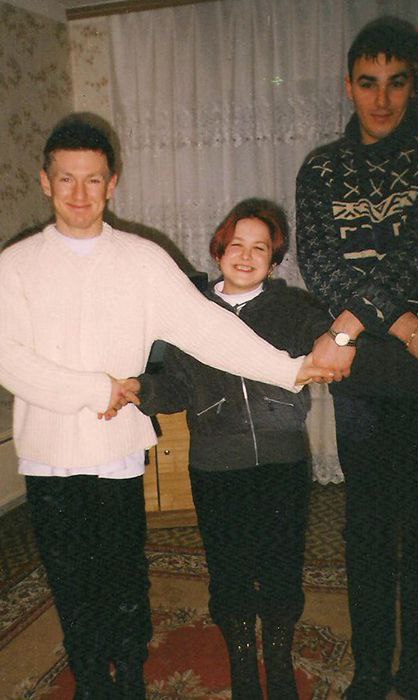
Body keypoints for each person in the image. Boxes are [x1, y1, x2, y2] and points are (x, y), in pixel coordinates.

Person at [0, 116, 333, 700]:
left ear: (112, 183)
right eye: (67, 179)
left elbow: (209, 329)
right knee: (71, 580)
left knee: (125, 576)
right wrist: (96, 390)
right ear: (45, 182)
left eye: (93, 179)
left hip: (117, 450)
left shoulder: (143, 259)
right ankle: (91, 683)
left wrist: (289, 369)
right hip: (49, 453)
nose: (80, 193)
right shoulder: (15, 264)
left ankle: (130, 677)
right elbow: (8, 358)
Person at [296, 16, 418, 700]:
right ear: (348, 86)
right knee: (365, 530)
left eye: (396, 82)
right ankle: (370, 671)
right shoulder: (320, 169)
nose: (383, 98)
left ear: (414, 82)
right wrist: (405, 326)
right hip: (364, 377)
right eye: (368, 83)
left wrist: (402, 330)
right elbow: (321, 267)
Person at [121, 199, 331, 700]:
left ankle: (277, 661)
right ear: (219, 251)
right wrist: (142, 390)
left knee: (281, 564)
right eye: (237, 244)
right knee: (229, 567)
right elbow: (175, 387)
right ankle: (241, 664)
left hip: (283, 459)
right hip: (216, 464)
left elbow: (328, 345)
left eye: (260, 248)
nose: (246, 255)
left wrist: (339, 342)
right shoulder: (189, 313)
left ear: (274, 260)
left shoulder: (295, 310)